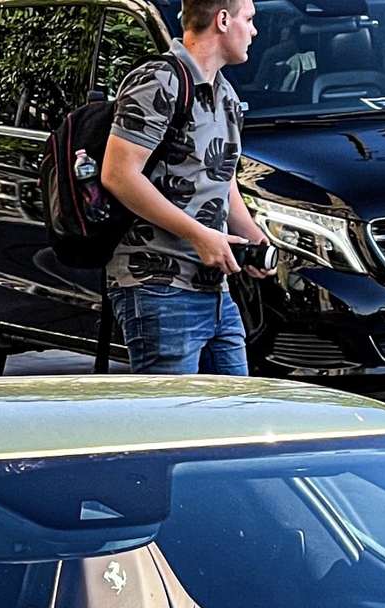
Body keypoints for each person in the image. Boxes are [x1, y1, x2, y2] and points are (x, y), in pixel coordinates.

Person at [100, 0, 275, 375]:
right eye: (250, 20)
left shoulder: (225, 94)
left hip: (215, 289)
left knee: (232, 419)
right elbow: (118, 174)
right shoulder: (157, 81)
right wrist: (199, 236)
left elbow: (221, 178)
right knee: (170, 421)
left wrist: (252, 236)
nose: (255, 31)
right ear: (223, 20)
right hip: (158, 286)